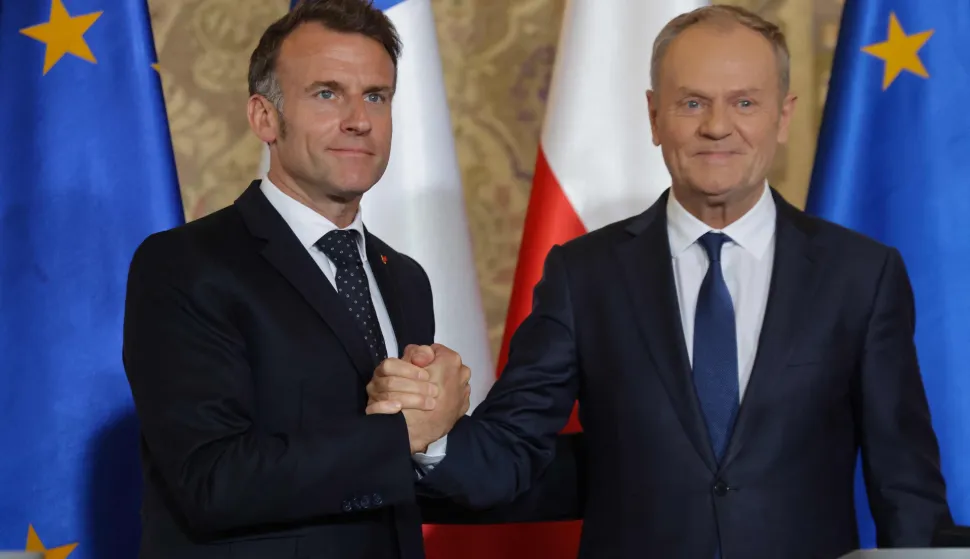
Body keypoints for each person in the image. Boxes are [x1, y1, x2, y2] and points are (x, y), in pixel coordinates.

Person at [367, 5, 953, 558]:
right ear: (654, 116)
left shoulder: (861, 273)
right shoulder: (584, 275)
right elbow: (511, 450)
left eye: (744, 102)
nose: (718, 127)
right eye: (692, 103)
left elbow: (905, 485)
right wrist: (433, 434)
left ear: (784, 115)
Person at [122, 1, 468, 558]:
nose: (359, 118)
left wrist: (436, 433)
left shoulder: (403, 277)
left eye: (375, 96)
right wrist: (406, 432)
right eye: (327, 93)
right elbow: (213, 482)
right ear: (264, 118)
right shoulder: (186, 264)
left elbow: (402, 479)